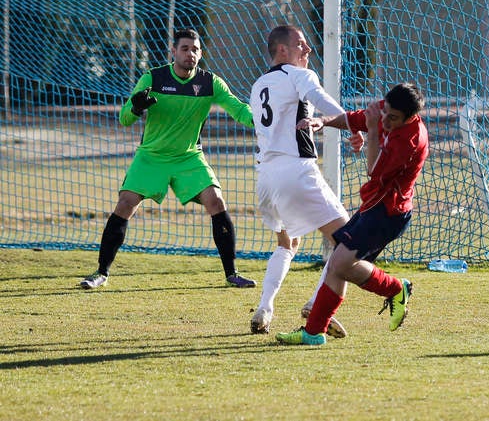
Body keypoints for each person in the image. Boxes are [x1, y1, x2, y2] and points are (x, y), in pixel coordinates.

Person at [79, 28, 257, 289]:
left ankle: (232, 274)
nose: (190, 54)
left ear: (200, 53)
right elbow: (124, 118)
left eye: (195, 49)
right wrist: (137, 107)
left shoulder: (210, 83)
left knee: (216, 201)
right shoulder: (153, 78)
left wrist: (261, 120)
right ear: (173, 52)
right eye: (184, 49)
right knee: (126, 203)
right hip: (151, 156)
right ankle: (101, 273)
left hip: (188, 157)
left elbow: (238, 109)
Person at [276, 82, 429, 346]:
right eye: (385, 113)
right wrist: (322, 121)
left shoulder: (411, 140)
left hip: (389, 214)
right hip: (374, 207)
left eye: (393, 119)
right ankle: (313, 334)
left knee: (340, 264)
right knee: (339, 264)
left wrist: (371, 131)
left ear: (410, 118)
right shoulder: (388, 109)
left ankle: (395, 288)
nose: (386, 121)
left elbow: (374, 169)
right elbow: (355, 118)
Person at [248, 25, 358, 338]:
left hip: (266, 177)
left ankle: (265, 308)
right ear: (282, 50)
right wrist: (353, 125)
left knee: (287, 244)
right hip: (295, 171)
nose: (307, 49)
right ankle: (315, 305)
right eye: (301, 44)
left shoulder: (259, 86)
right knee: (349, 241)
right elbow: (319, 98)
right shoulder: (298, 75)